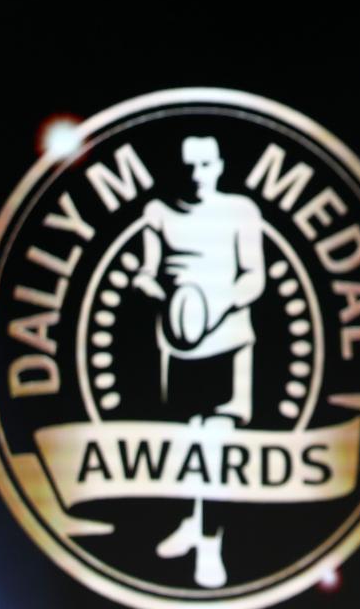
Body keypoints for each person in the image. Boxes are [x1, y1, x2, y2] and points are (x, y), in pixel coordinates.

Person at [131, 135, 266, 588]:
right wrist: (167, 298)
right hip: (177, 346)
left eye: (205, 164)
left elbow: (254, 277)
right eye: (189, 166)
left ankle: (210, 542)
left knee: (217, 446)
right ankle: (193, 520)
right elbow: (147, 273)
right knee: (191, 442)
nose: (197, 174)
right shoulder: (158, 212)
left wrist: (213, 305)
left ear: (219, 165)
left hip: (228, 342)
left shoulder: (242, 211)